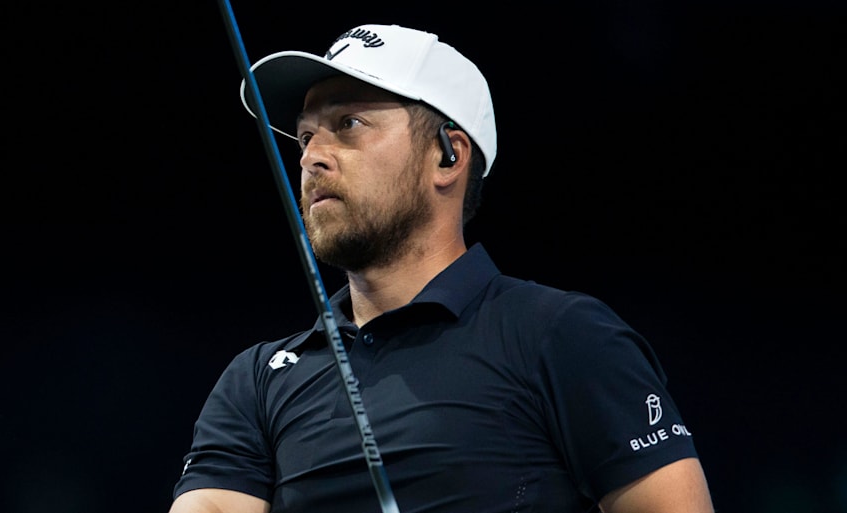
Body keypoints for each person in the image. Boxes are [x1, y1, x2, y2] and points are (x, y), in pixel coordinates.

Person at [169, 23, 714, 513]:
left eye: (349, 123)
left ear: (448, 156)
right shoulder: (257, 380)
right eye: (307, 135)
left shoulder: (560, 335)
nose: (312, 156)